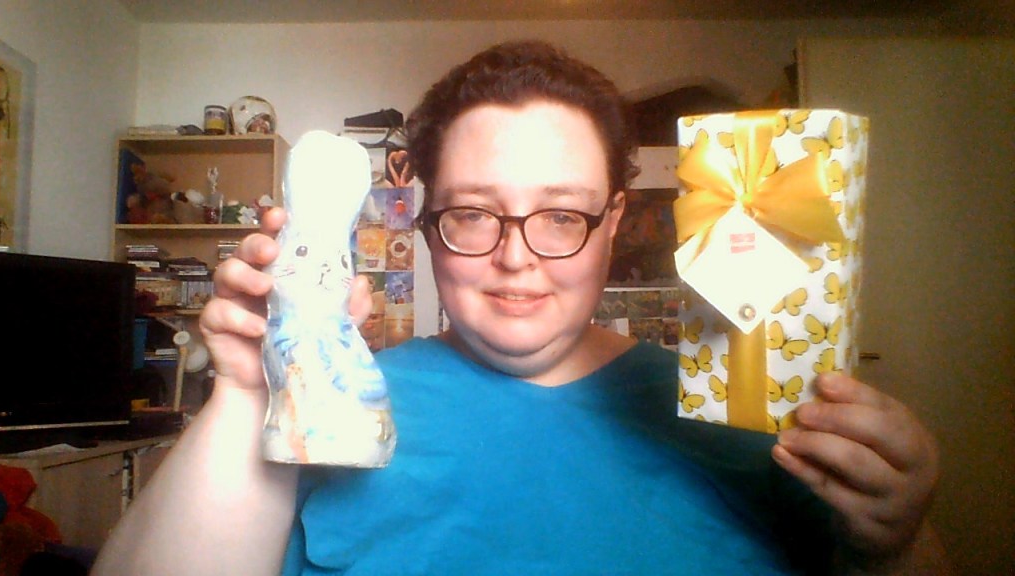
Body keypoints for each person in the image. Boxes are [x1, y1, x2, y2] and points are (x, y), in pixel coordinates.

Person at [92, 40, 950, 575]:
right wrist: (247, 390)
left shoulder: (750, 414)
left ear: (613, 222)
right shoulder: (327, 409)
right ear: (427, 225)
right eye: (473, 213)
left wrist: (901, 543)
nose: (516, 256)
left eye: (562, 215)